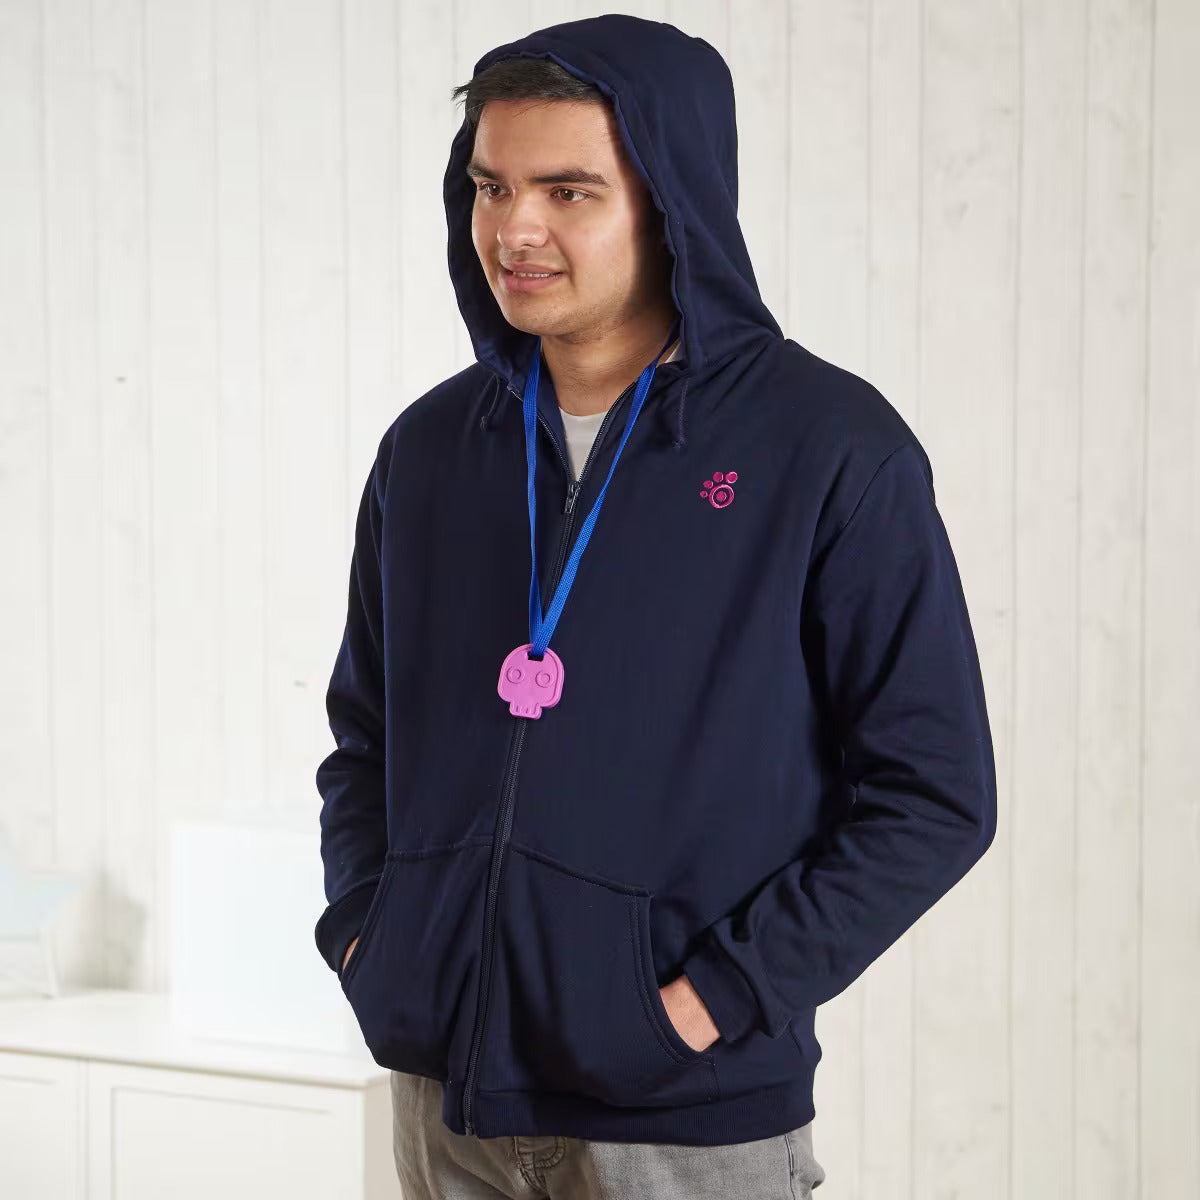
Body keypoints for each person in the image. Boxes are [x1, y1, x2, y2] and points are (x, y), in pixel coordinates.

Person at [314, 13, 996, 1199]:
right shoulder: (429, 450)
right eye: (491, 187)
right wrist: (371, 942)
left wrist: (708, 1000)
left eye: (568, 192)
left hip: (686, 1123)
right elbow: (365, 741)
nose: (514, 229)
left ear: (673, 202)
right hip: (445, 1105)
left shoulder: (828, 450)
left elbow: (935, 796)